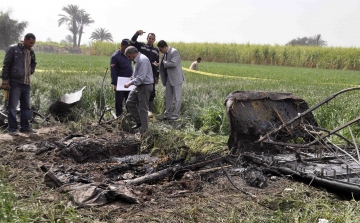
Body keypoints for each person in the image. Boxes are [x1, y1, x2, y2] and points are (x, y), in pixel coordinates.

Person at [1, 33, 37, 136]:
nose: (31, 45)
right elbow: (6, 65)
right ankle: (12, 129)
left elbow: (34, 63)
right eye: (30, 42)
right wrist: (5, 81)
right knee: (12, 107)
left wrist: (31, 70)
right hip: (15, 82)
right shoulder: (13, 49)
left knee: (26, 107)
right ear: (24, 40)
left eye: (33, 43)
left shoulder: (31, 51)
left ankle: (25, 127)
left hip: (26, 83)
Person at [124, 46, 154, 134]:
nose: (129, 58)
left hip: (145, 86)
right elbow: (138, 75)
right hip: (139, 85)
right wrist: (132, 78)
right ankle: (139, 121)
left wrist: (129, 83)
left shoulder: (142, 60)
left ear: (134, 53)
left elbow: (141, 77)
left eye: (129, 56)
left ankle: (144, 131)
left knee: (143, 108)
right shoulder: (137, 60)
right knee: (129, 102)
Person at [131, 30, 159, 117]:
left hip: (152, 74)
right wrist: (136, 34)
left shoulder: (156, 50)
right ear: (147, 38)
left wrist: (157, 76)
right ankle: (139, 110)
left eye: (152, 39)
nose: (150, 40)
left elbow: (157, 63)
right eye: (149, 38)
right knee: (139, 91)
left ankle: (149, 111)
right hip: (141, 73)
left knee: (152, 93)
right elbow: (132, 42)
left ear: (154, 40)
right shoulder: (141, 46)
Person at [156, 40, 185, 121]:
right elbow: (165, 65)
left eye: (161, 49)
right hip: (169, 79)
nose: (160, 52)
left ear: (165, 47)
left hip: (176, 79)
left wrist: (164, 62)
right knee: (168, 97)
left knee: (177, 98)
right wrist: (158, 65)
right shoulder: (165, 54)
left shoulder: (174, 52)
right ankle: (166, 115)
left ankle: (175, 116)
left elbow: (173, 64)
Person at [110, 39, 133, 117]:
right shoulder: (115, 56)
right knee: (119, 101)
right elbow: (113, 71)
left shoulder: (128, 55)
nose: (127, 49)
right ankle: (119, 117)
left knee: (129, 100)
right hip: (120, 82)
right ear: (121, 45)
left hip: (129, 82)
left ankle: (129, 116)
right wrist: (115, 84)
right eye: (126, 47)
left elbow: (130, 67)